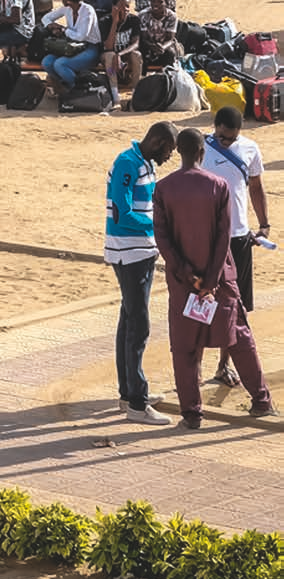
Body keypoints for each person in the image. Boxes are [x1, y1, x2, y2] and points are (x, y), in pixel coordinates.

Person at [153, 128, 274, 429]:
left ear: (178, 152)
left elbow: (163, 239)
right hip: (220, 281)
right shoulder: (218, 186)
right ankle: (261, 401)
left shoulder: (163, 188)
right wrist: (211, 280)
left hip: (183, 284)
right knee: (239, 338)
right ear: (202, 152)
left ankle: (192, 414)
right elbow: (223, 238)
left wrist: (188, 274)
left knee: (184, 347)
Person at [105, 122, 178, 425]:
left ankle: (129, 392)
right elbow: (121, 213)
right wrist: (158, 226)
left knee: (129, 320)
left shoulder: (146, 163)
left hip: (142, 252)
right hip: (129, 252)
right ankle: (137, 402)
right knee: (139, 326)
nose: (170, 156)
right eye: (169, 150)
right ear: (158, 141)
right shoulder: (127, 163)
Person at [202, 107, 271, 389]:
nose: (227, 143)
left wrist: (264, 224)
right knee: (202, 301)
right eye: (222, 138)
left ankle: (224, 365)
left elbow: (256, 187)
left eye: (232, 139)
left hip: (239, 237)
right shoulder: (201, 149)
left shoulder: (250, 149)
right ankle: (192, 367)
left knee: (236, 306)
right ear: (214, 127)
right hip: (207, 238)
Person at [42, 0, 102, 94]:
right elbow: (46, 18)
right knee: (47, 62)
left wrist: (64, 30)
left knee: (60, 64)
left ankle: (77, 90)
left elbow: (81, 36)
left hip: (90, 48)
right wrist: (51, 25)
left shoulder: (88, 11)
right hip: (71, 47)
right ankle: (64, 86)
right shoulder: (67, 9)